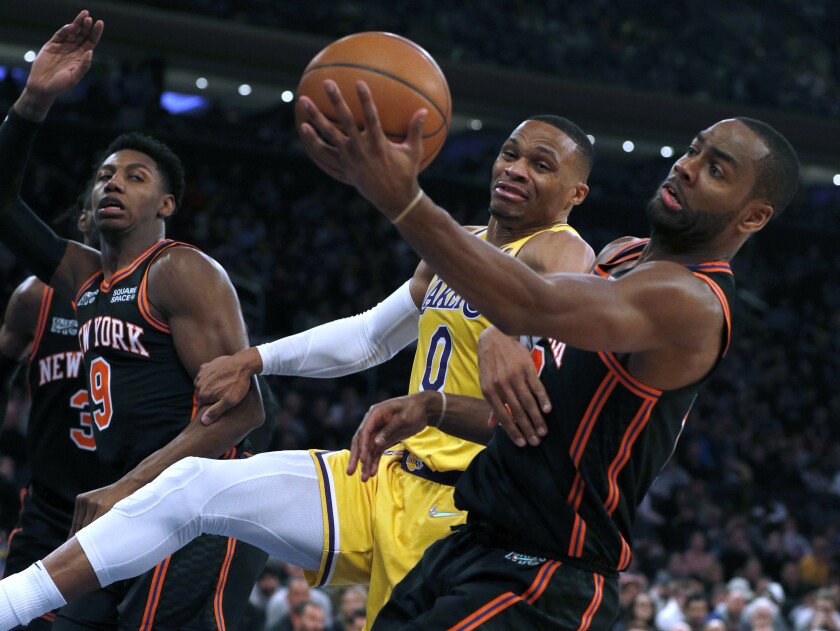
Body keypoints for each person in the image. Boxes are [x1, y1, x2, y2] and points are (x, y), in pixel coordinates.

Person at [0, 11, 597, 630]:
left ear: (576, 194)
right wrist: (256, 358)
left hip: (465, 502)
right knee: (195, 487)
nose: (516, 170)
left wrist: (449, 390)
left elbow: (547, 351)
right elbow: (368, 336)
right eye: (509, 154)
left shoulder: (561, 249)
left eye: (542, 164)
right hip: (381, 475)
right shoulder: (457, 247)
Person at [290, 78, 800, 628]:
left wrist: (401, 197)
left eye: (716, 170)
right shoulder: (620, 255)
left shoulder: (692, 300)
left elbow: (530, 300)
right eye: (693, 149)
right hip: (472, 544)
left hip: (547, 577)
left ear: (752, 217)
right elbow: (535, 421)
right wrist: (434, 408)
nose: (687, 167)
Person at [0, 11, 268, 630]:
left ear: (166, 204)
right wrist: (34, 100)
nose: (112, 183)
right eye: (103, 176)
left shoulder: (181, 271)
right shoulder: (79, 276)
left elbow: (247, 410)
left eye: (134, 175)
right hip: (121, 510)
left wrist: (128, 487)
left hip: (198, 507)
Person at [0, 190, 110, 630]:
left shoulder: (160, 296)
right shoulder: (36, 298)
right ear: (81, 222)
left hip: (125, 507)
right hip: (49, 507)